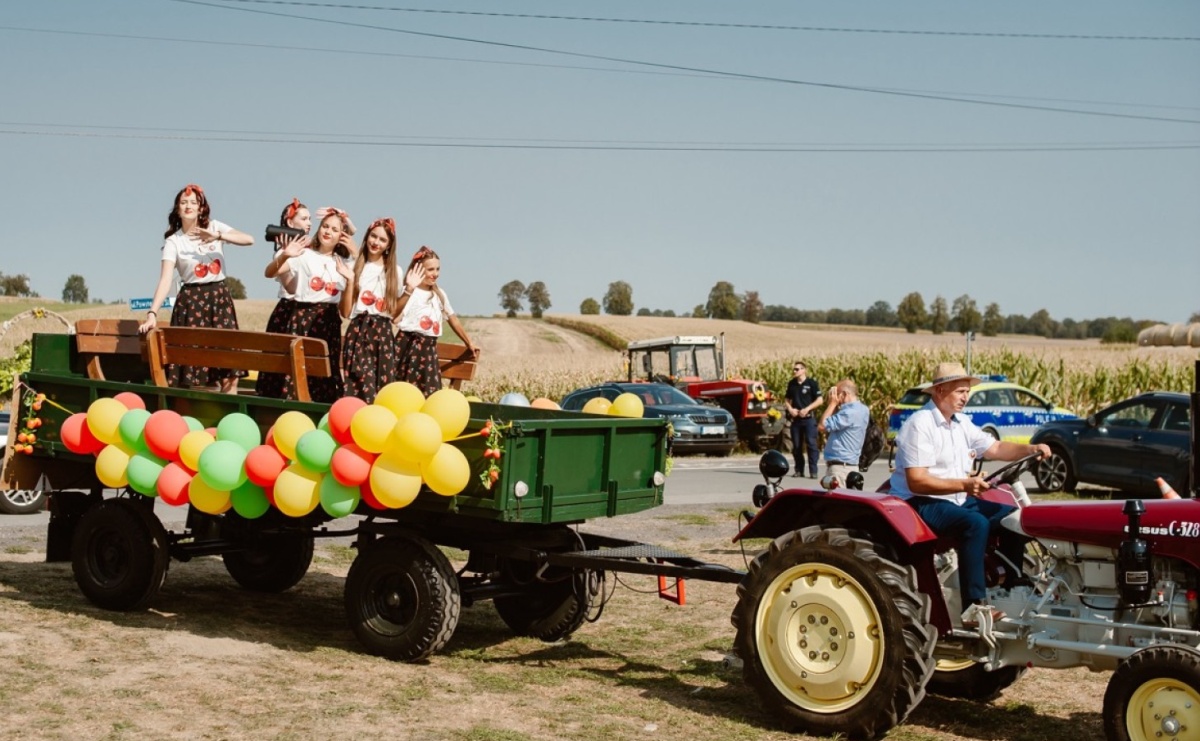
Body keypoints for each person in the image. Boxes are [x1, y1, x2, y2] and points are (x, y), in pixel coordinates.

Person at [888, 362, 1050, 627]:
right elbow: (917, 481)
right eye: (960, 391)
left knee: (1014, 518)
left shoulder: (961, 423)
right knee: (975, 524)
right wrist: (965, 485)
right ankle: (973, 607)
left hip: (956, 498)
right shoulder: (920, 424)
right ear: (940, 391)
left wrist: (1031, 449)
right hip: (919, 502)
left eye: (967, 392)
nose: (966, 397)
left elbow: (995, 448)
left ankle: (1013, 587)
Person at [138, 183, 254, 393]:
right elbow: (165, 279)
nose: (188, 206)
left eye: (193, 202)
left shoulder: (215, 227)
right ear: (177, 209)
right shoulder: (174, 241)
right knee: (195, 371)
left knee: (230, 369)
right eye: (184, 202)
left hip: (219, 299)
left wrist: (218, 236)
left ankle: (229, 410)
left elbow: (249, 240)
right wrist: (152, 313)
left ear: (201, 208)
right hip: (191, 303)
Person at [262, 207, 355, 402]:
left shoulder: (344, 264)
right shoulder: (304, 255)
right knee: (297, 373)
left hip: (328, 322)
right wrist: (285, 255)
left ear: (341, 236)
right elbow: (269, 273)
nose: (328, 232)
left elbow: (345, 312)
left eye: (334, 229)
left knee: (323, 377)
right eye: (325, 226)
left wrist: (350, 281)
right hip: (302, 318)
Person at [394, 245, 480, 396]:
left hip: (428, 350)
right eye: (430, 270)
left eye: (437, 269)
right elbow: (395, 316)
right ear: (418, 270)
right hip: (408, 346)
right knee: (405, 392)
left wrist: (468, 342)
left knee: (430, 392)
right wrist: (408, 290)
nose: (435, 274)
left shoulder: (439, 295)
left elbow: (452, 319)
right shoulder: (408, 291)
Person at [255, 197, 311, 399]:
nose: (309, 223)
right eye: (304, 219)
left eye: (310, 219)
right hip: (289, 312)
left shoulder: (311, 251)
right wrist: (288, 255)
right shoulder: (283, 253)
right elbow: (291, 287)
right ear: (290, 222)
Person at [341, 217, 401, 403]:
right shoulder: (353, 266)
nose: (376, 242)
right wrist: (350, 281)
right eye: (373, 236)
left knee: (383, 388)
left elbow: (395, 314)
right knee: (359, 384)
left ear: (389, 245)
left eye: (382, 240)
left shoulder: (395, 272)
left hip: (383, 334)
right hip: (359, 329)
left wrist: (409, 291)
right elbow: (345, 312)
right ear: (367, 237)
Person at [817, 379, 871, 488]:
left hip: (840, 469)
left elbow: (822, 426)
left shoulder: (849, 413)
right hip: (850, 466)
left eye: (836, 394)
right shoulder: (863, 409)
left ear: (844, 394)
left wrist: (832, 404)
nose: (835, 397)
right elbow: (836, 423)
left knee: (836, 499)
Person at [784, 361, 822, 478]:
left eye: (797, 369)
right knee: (796, 446)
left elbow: (820, 400)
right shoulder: (792, 384)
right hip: (796, 420)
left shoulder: (811, 383)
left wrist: (807, 409)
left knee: (811, 444)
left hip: (809, 419)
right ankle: (799, 470)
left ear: (803, 370)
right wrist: (790, 409)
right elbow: (787, 400)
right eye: (794, 369)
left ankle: (813, 471)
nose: (794, 371)